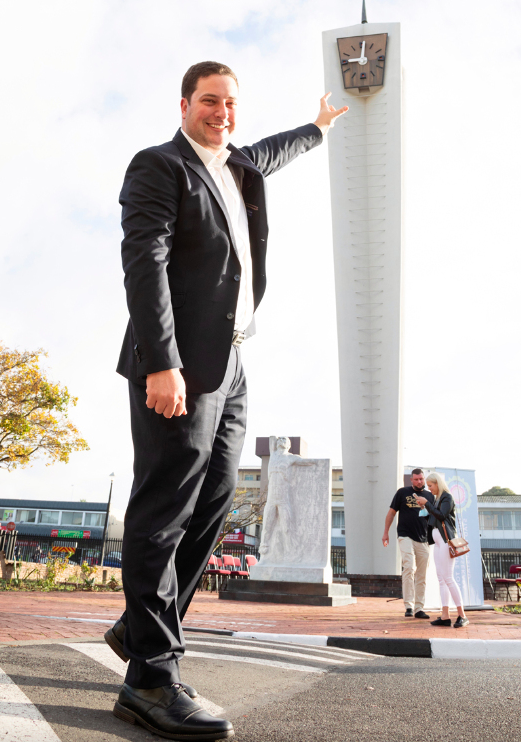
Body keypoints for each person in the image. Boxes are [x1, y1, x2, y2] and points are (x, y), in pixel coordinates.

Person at [104, 60, 348, 741]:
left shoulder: (240, 165)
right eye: (210, 101)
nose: (222, 112)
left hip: (233, 361)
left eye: (231, 103)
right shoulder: (160, 167)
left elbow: (278, 149)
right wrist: (163, 363)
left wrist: (320, 127)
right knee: (164, 509)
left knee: (212, 506)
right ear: (184, 103)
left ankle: (137, 628)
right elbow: (143, 261)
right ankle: (152, 677)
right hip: (177, 364)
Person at [415, 471, 469, 628]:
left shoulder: (447, 497)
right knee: (441, 579)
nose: (429, 489)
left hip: (446, 541)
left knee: (448, 578)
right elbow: (432, 519)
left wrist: (427, 504)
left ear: (437, 483)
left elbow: (441, 515)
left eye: (431, 486)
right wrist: (424, 507)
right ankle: (445, 616)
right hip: (438, 543)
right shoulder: (437, 499)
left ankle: (462, 615)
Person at [382, 468, 435, 618]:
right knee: (409, 567)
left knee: (422, 574)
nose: (419, 481)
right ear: (411, 480)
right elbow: (391, 513)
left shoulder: (430, 496)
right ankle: (409, 606)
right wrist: (386, 532)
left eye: (421, 479)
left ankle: (419, 608)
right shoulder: (402, 492)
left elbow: (434, 518)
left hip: (423, 538)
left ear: (424, 479)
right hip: (405, 535)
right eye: (416, 479)